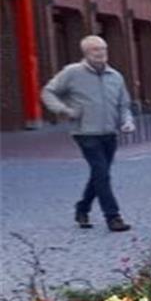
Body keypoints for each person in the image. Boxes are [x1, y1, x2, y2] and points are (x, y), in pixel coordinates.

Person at [41, 34, 135, 232]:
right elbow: (48, 92)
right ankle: (113, 217)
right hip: (85, 133)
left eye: (103, 49)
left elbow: (124, 104)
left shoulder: (115, 76)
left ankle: (82, 208)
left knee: (99, 175)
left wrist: (127, 121)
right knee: (102, 173)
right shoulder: (72, 73)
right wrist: (64, 110)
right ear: (85, 52)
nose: (101, 53)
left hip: (109, 133)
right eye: (96, 50)